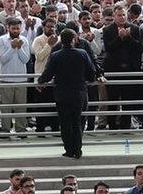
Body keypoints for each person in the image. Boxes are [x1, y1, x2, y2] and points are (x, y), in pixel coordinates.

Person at [39, 28, 101, 160]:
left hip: (62, 93)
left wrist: (40, 81)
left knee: (65, 122)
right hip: (79, 92)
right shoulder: (82, 53)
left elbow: (47, 73)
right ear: (73, 39)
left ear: (61, 40)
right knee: (78, 121)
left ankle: (68, 149)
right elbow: (91, 74)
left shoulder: (56, 55)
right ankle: (77, 149)